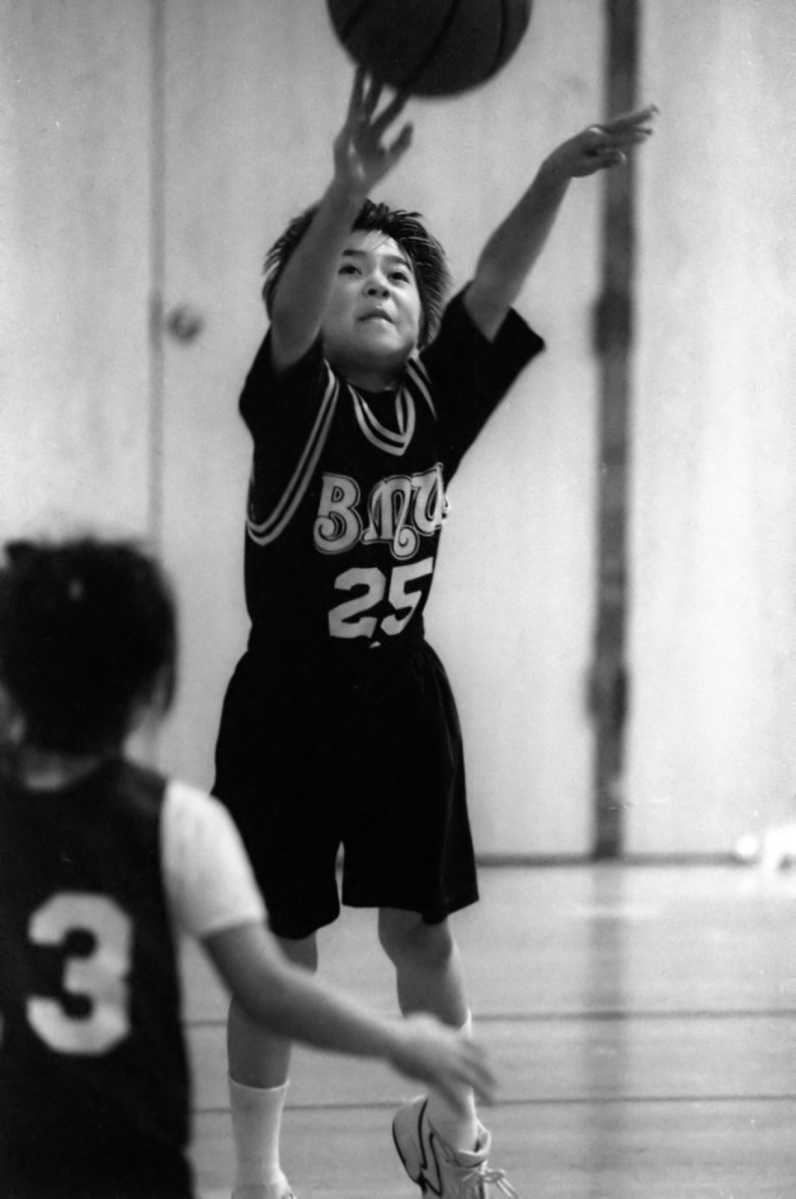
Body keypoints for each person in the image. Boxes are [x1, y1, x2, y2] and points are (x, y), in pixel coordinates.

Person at [213, 67, 656, 1199]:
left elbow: (497, 279)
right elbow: (291, 315)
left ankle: (454, 1148)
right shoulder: (300, 400)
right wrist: (344, 193)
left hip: (404, 696)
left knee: (426, 941)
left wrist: (554, 174)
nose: (378, 282)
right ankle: (260, 1177)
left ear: (420, 318)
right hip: (286, 702)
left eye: (399, 273)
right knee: (281, 953)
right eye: (351, 268)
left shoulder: (432, 399)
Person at [0, 536, 496, 1199]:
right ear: (152, 689)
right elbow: (270, 989)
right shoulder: (178, 823)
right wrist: (398, 1041)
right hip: (140, 1159)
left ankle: (260, 1182)